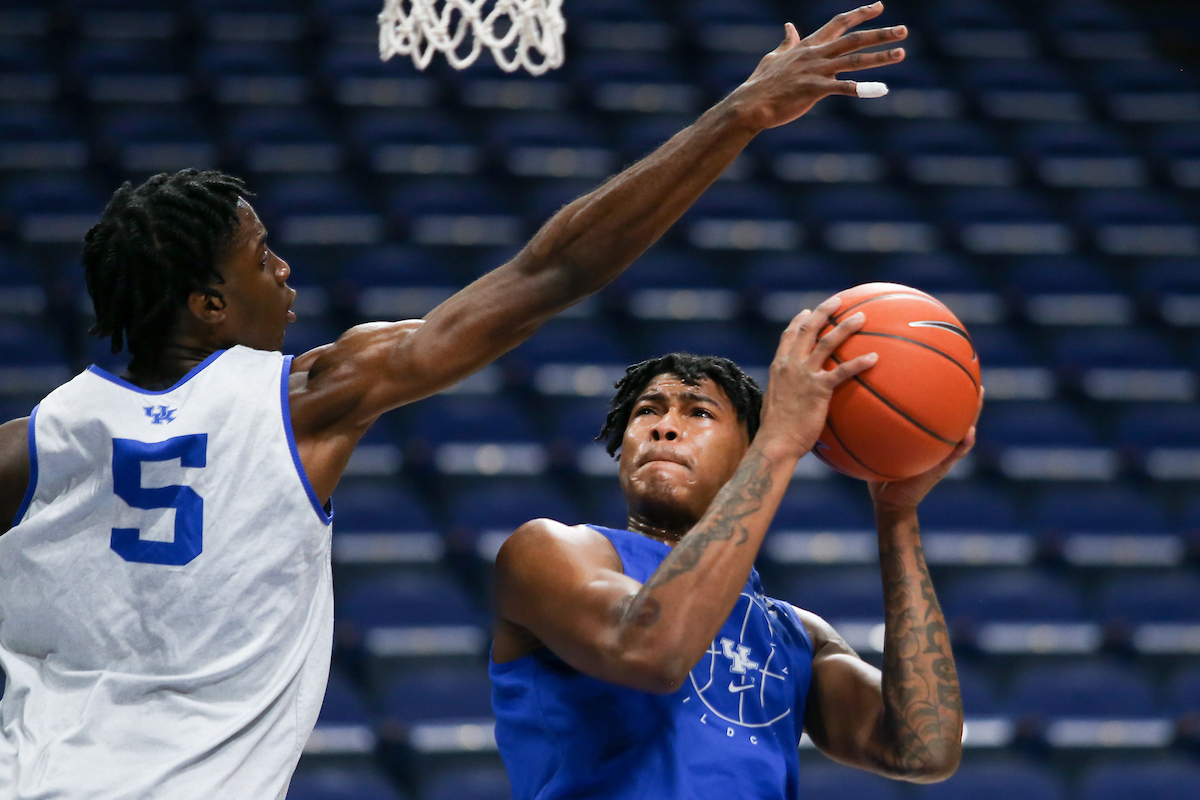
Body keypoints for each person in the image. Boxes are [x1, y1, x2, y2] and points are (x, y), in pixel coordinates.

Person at [0, 4, 908, 797]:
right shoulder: (308, 394)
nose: (284, 273)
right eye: (261, 257)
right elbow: (550, 272)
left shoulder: (35, 442)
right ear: (208, 306)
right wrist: (740, 113)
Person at [491, 296, 980, 799]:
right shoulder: (550, 552)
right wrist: (779, 442)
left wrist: (896, 516)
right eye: (647, 411)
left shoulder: (796, 635)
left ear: (743, 456)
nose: (663, 426)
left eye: (698, 411)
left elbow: (923, 750)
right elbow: (649, 651)